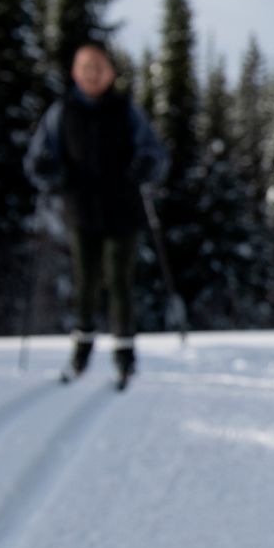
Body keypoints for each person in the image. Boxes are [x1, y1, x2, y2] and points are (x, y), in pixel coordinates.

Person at [24, 40, 169, 388]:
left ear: (111, 72)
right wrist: (47, 170)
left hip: (123, 210)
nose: (92, 74)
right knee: (85, 283)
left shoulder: (125, 110)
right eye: (85, 67)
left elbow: (154, 152)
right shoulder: (63, 112)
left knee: (119, 281)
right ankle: (82, 350)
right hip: (81, 211)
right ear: (75, 72)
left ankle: (124, 353)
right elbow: (38, 155)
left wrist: (145, 166)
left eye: (98, 67)